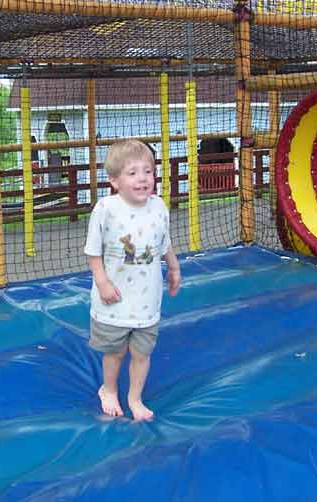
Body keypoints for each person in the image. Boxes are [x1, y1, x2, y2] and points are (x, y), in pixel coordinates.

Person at [84, 139, 181, 421]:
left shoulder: (159, 206)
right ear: (114, 181)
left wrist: (174, 268)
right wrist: (102, 282)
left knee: (142, 353)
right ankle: (109, 389)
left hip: (147, 300)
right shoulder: (106, 210)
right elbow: (93, 252)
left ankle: (134, 398)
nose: (142, 178)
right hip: (113, 300)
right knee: (114, 352)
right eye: (133, 173)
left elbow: (164, 244)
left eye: (148, 171)